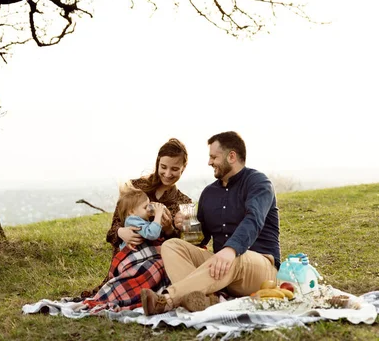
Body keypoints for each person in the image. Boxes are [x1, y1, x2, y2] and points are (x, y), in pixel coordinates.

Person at [141, 131, 281, 314]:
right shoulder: (209, 193)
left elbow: (254, 220)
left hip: (260, 268)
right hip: (221, 269)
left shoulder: (259, 183)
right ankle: (203, 300)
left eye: (213, 157)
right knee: (171, 246)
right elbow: (200, 239)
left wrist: (230, 250)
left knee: (236, 255)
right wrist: (186, 227)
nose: (209, 162)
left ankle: (167, 299)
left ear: (231, 156)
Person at [80, 138, 192, 302]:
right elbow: (112, 230)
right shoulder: (135, 187)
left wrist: (169, 229)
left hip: (159, 262)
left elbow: (183, 246)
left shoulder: (184, 202)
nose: (168, 174)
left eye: (175, 169)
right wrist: (121, 232)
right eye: (163, 167)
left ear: (183, 168)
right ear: (157, 163)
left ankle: (156, 297)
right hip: (129, 259)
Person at [116, 183, 165, 251]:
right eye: (145, 207)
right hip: (133, 256)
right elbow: (152, 234)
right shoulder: (132, 220)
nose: (148, 209)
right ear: (132, 212)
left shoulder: (140, 219)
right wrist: (158, 215)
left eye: (149, 204)